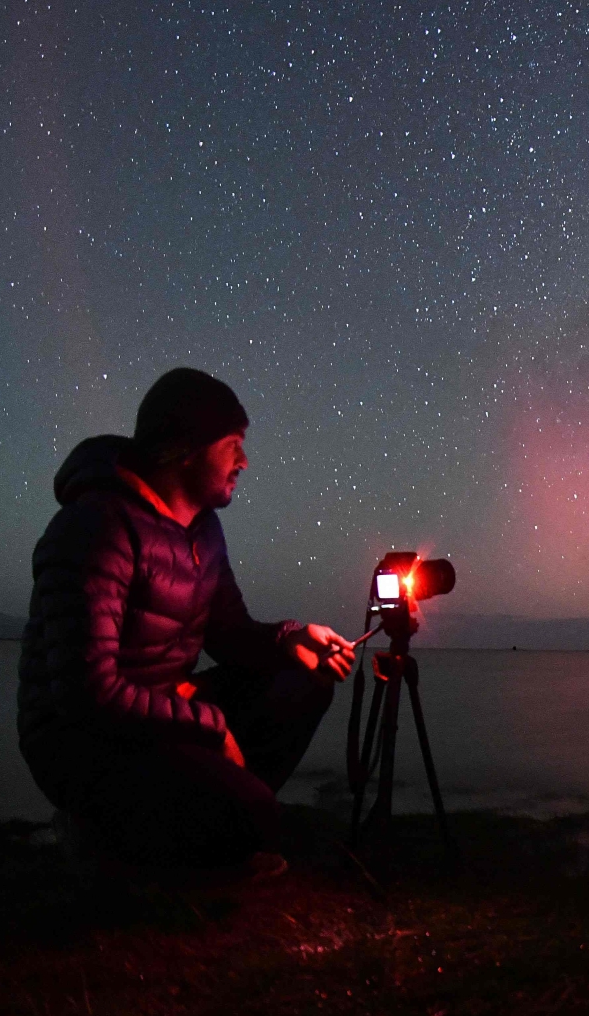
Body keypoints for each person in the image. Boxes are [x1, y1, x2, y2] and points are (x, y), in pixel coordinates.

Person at [18, 368, 357, 870]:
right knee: (257, 820)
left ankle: (216, 814)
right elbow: (86, 694)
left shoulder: (204, 529)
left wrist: (290, 638)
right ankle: (106, 830)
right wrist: (210, 725)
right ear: (189, 447)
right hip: (82, 743)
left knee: (303, 682)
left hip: (162, 713)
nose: (244, 460)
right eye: (233, 444)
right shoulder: (96, 527)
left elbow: (230, 634)